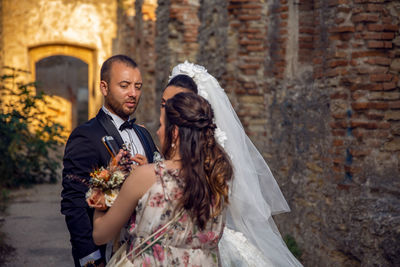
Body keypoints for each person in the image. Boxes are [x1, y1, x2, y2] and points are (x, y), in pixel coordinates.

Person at [165, 61, 303, 266]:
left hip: (203, 241)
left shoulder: (212, 153)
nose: (168, 112)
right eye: (165, 105)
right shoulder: (175, 144)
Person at [92, 92, 233, 266]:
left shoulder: (145, 177)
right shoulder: (217, 177)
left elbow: (101, 235)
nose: (158, 132)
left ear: (174, 133)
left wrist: (103, 188)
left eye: (161, 125)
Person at [61, 55, 157, 267]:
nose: (133, 93)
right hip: (106, 250)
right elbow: (74, 202)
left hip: (147, 250)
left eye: (138, 86)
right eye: (124, 86)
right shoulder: (85, 135)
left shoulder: (144, 135)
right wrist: (89, 257)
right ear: (104, 88)